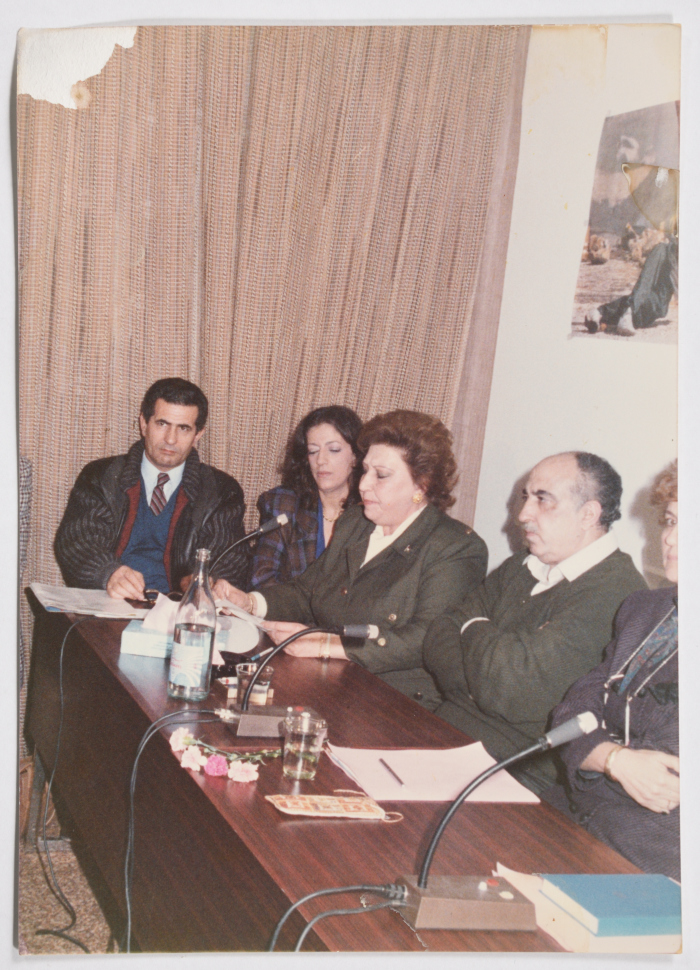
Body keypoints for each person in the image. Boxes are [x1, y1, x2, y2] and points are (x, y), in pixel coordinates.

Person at [213, 410, 488, 709]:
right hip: (329, 678)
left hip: (396, 701)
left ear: (421, 484)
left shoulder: (455, 547)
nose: (363, 484)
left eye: (381, 475)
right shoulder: (356, 522)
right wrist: (249, 602)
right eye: (366, 470)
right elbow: (307, 590)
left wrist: (328, 645)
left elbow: (425, 639)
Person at [423, 452, 646, 793]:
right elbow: (438, 636)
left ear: (588, 514)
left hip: (517, 775)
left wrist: (471, 627)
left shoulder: (618, 594)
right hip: (444, 733)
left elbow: (512, 689)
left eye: (543, 500)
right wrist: (485, 676)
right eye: (526, 497)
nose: (523, 514)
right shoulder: (521, 566)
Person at [544, 461, 679, 879]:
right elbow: (572, 712)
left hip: (654, 851)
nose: (670, 538)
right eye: (672, 519)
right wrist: (615, 760)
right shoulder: (645, 608)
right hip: (577, 811)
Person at [55, 377, 247, 599]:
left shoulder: (221, 490)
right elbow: (77, 541)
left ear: (198, 435)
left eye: (183, 428)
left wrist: (205, 582)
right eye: (162, 424)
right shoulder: (101, 476)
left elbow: (230, 559)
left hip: (180, 610)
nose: (170, 439)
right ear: (144, 424)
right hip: (109, 601)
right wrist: (108, 574)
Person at [251, 405, 363, 589]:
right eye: (313, 451)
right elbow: (261, 579)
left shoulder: (371, 512)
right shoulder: (283, 505)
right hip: (284, 616)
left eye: (333, 450)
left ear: (356, 456)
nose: (320, 460)